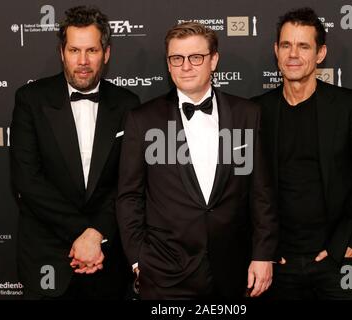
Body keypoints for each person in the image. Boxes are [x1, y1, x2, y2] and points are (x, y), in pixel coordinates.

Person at [116, 22, 278, 299]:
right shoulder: (142, 119)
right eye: (177, 58)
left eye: (196, 57)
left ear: (213, 60)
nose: (186, 66)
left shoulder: (247, 115)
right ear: (168, 64)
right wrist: (138, 259)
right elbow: (129, 196)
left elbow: (261, 193)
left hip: (233, 270)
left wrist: (263, 254)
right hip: (164, 272)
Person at [252, 7, 352, 299]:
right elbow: (244, 188)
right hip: (277, 264)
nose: (293, 54)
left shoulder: (346, 106)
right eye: (286, 45)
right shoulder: (257, 111)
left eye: (303, 46)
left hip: (333, 261)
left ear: (320, 53)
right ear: (276, 50)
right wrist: (265, 250)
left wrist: (349, 242)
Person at [10, 5, 140, 299]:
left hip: (105, 258)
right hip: (48, 255)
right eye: (74, 50)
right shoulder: (31, 100)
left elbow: (127, 181)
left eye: (92, 50)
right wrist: (85, 233)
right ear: (62, 53)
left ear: (106, 54)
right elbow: (27, 180)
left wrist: (97, 235)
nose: (82, 61)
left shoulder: (127, 103)